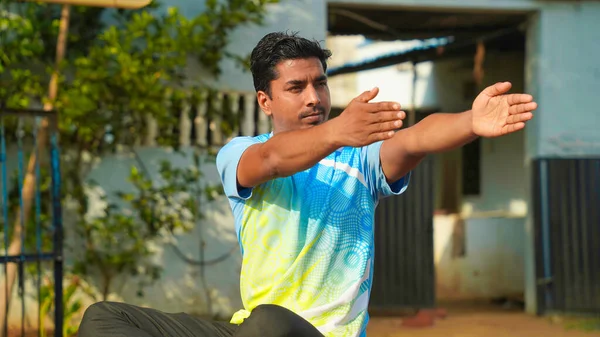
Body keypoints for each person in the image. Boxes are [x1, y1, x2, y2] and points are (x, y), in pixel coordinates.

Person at [78, 31, 537, 337]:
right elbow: (273, 160)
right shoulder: (239, 153)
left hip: (311, 334)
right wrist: (339, 130)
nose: (315, 97)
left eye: (320, 83)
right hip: (251, 329)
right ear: (266, 99)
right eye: (297, 88)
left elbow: (415, 139)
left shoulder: (362, 160)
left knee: (271, 325)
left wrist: (470, 122)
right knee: (103, 318)